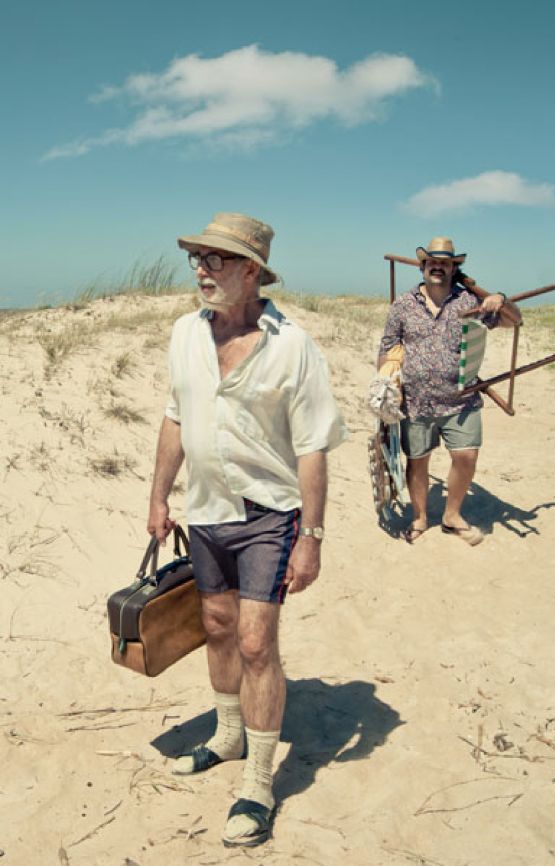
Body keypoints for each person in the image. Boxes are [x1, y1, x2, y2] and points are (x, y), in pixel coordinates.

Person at [147, 212, 347, 848]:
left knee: (258, 642)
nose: (201, 270)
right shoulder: (184, 333)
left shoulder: (293, 344)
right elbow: (176, 416)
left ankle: (259, 781)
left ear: (252, 270)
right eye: (197, 259)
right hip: (206, 512)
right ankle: (228, 736)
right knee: (216, 627)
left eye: (216, 260)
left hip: (269, 513)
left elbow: (313, 446)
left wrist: (311, 535)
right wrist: (158, 497)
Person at [377, 237, 517, 546]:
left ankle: (452, 516)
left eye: (446, 263)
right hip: (415, 402)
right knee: (417, 461)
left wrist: (499, 299)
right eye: (433, 262)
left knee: (466, 456)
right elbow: (387, 348)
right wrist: (386, 384)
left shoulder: (469, 301)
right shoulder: (403, 304)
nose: (438, 267)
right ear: (423, 266)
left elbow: (514, 321)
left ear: (454, 268)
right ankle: (419, 517)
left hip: (461, 399)